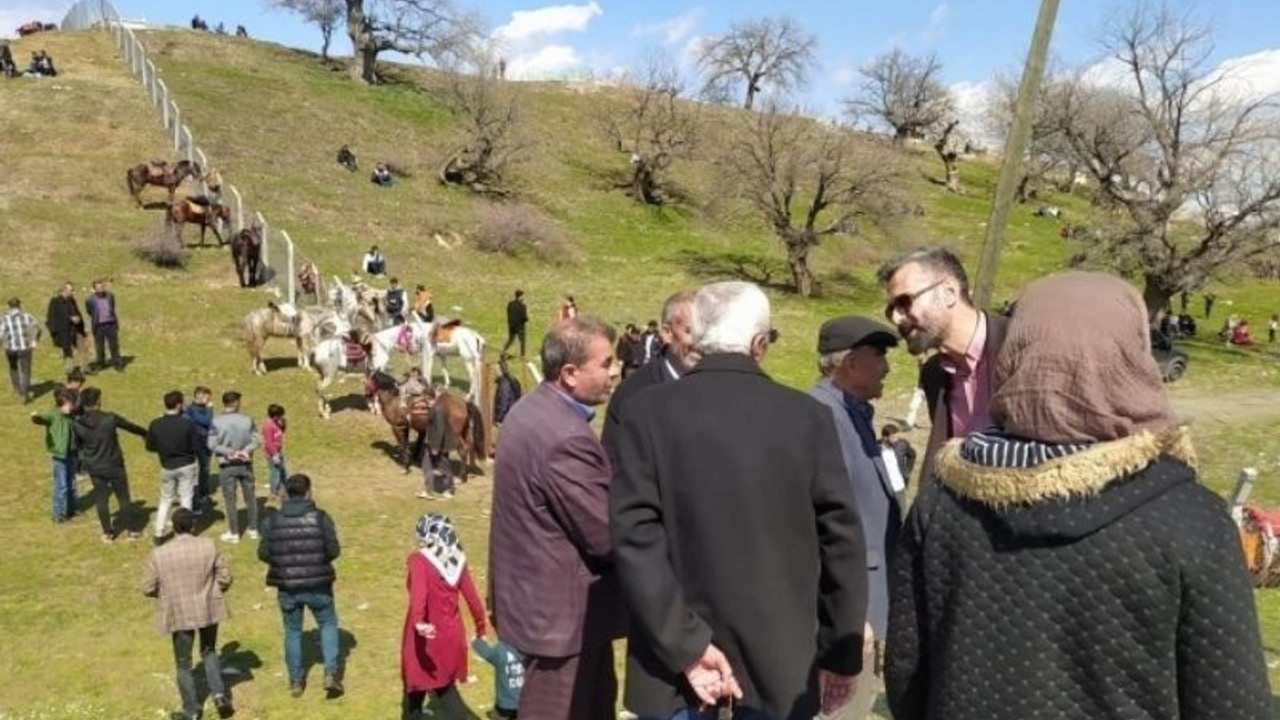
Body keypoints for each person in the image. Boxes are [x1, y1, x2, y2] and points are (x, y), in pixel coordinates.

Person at [885, 271, 1271, 720]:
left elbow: (906, 674)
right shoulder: (1190, 523)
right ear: (1131, 361)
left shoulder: (943, 503)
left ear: (1018, 356)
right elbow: (1232, 703)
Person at [611, 281, 868, 720]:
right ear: (760, 343)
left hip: (673, 665)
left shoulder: (645, 412)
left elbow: (635, 541)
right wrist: (839, 655)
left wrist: (687, 645)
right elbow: (842, 541)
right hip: (777, 669)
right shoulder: (807, 419)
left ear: (699, 335)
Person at [488, 316, 623, 720]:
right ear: (569, 373)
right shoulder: (564, 436)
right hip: (560, 626)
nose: (615, 371)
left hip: (536, 608)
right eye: (605, 363)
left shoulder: (530, 408)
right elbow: (607, 535)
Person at [806, 315, 903, 720]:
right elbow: (824, 528)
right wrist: (849, 615)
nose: (886, 366)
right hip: (843, 618)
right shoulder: (822, 417)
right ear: (848, 363)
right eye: (878, 355)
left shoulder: (853, 414)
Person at [878, 247, 1010, 484]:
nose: (897, 319)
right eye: (891, 310)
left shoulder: (1020, 345)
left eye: (905, 302)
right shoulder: (934, 375)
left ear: (949, 292)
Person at [142, 508, 236, 720]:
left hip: (179, 610)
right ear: (192, 526)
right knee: (209, 651)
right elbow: (226, 577)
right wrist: (213, 589)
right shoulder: (208, 546)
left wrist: (167, 594)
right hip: (207, 606)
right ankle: (220, 695)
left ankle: (191, 711)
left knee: (183, 662)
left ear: (173, 527)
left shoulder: (160, 553)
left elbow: (148, 587)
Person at [258, 473, 344, 698]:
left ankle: (296, 681)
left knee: (292, 631)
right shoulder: (321, 518)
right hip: (319, 584)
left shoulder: (271, 521)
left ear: (286, 493)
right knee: (327, 624)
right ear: (308, 492)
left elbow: (264, 553)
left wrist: (284, 563)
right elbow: (334, 550)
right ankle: (331, 673)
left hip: (287, 586)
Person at [401, 513, 487, 720]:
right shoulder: (457, 560)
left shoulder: (419, 560)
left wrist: (419, 621)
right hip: (452, 635)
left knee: (437, 689)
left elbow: (419, 594)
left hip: (425, 637)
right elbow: (473, 599)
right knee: (423, 686)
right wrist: (480, 628)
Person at [601, 290, 696, 468]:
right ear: (667, 333)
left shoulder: (720, 385)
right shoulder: (634, 393)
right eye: (691, 332)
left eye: (707, 332)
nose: (701, 342)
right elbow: (615, 465)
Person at [74, 387, 147, 542]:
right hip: (114, 464)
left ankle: (107, 532)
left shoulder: (78, 424)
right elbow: (130, 426)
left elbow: (77, 445)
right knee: (123, 498)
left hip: (94, 465)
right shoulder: (110, 418)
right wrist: (145, 433)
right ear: (98, 401)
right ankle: (131, 530)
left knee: (101, 499)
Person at [146, 390, 202, 546]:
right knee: (186, 498)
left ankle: (158, 532)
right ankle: (186, 531)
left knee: (165, 500)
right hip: (187, 464)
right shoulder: (188, 424)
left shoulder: (155, 424)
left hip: (167, 466)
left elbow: (150, 446)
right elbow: (196, 446)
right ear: (179, 405)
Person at [210, 390, 259, 544]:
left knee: (230, 499)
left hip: (227, 464)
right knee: (250, 497)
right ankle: (253, 529)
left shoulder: (216, 421)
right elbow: (256, 440)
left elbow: (212, 444)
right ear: (236, 402)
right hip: (245, 463)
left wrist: (230, 452)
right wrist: (245, 451)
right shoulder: (247, 420)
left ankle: (234, 532)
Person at [31, 389, 78, 523]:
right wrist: (35, 417)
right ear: (60, 404)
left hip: (72, 453)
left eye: (71, 404)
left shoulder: (72, 416)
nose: (71, 407)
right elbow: (42, 419)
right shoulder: (53, 414)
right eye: (68, 405)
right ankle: (57, 514)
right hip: (59, 456)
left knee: (72, 484)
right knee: (61, 485)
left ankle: (71, 511)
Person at [473, 626, 525, 720]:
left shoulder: (501, 649)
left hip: (505, 702)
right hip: (524, 700)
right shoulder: (527, 648)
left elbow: (487, 653)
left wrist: (477, 642)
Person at [1, 296, 41, 403]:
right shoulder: (27, 316)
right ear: (19, 305)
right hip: (25, 348)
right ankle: (25, 391)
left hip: (11, 349)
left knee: (13, 368)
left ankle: (17, 388)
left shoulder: (4, 319)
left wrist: (2, 346)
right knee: (26, 370)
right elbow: (38, 328)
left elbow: (0, 335)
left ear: (9, 306)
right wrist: (35, 341)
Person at [185, 386, 215, 513]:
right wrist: (209, 409)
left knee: (205, 469)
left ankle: (203, 493)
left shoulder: (203, 409)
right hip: (195, 444)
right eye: (207, 397)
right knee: (193, 470)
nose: (208, 400)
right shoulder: (191, 409)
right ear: (199, 396)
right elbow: (206, 421)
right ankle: (192, 495)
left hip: (205, 443)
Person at [46, 282, 89, 372]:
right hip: (64, 330)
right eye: (71, 290)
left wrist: (79, 320)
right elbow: (51, 317)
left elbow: (77, 312)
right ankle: (69, 369)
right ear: (64, 290)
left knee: (83, 348)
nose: (73, 292)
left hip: (76, 329)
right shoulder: (55, 301)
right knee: (67, 350)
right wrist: (54, 332)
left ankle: (85, 368)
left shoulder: (72, 300)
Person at [86, 279, 123, 372]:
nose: (100, 289)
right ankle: (101, 364)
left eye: (102, 287)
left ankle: (117, 364)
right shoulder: (90, 300)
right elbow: (90, 311)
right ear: (94, 289)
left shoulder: (110, 296)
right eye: (98, 287)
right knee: (99, 346)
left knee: (114, 345)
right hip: (98, 326)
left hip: (110, 324)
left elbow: (112, 307)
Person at [880, 424, 916, 492]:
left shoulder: (902, 444)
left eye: (897, 436)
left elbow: (912, 455)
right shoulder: (877, 448)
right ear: (885, 437)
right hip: (884, 483)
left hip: (900, 483)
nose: (896, 439)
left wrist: (907, 470)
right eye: (893, 437)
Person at [263, 404, 288, 500]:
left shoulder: (275, 423)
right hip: (273, 453)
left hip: (278, 451)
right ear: (276, 416)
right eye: (281, 415)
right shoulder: (268, 426)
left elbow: (281, 432)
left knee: (282, 471)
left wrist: (283, 425)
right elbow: (269, 442)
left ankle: (283, 489)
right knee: (275, 473)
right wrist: (274, 455)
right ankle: (273, 492)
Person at [493, 358, 522, 425]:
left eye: (496, 369)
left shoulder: (504, 384)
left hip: (506, 419)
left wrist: (498, 418)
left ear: (501, 370)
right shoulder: (510, 380)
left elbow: (503, 402)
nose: (495, 372)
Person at [502, 289, 529, 359]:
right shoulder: (523, 306)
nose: (524, 298)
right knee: (522, 341)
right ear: (520, 297)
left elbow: (508, 313)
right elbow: (524, 317)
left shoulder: (510, 304)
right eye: (523, 296)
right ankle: (522, 355)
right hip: (520, 326)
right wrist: (526, 319)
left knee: (510, 340)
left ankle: (503, 351)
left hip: (511, 326)